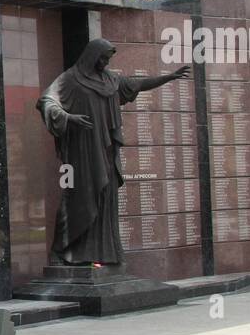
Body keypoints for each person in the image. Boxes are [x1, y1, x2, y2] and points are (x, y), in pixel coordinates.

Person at [36, 37, 190, 265]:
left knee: (105, 198)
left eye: (108, 59)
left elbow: (136, 85)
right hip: (81, 152)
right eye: (103, 58)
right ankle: (62, 252)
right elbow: (47, 101)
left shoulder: (109, 79)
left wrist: (168, 78)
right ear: (92, 55)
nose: (105, 63)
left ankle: (101, 255)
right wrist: (68, 118)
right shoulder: (71, 78)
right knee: (78, 199)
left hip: (106, 151)